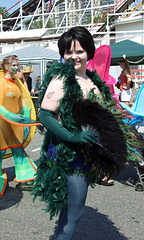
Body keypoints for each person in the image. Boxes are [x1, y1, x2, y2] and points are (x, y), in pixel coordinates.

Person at [33, 27, 139, 240]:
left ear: (89, 52)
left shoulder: (92, 80)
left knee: (69, 212)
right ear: (62, 54)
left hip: (86, 155)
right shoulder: (62, 80)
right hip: (70, 157)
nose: (73, 57)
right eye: (68, 52)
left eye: (79, 51)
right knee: (74, 213)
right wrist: (73, 137)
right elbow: (44, 116)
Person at [0, 55, 40, 197]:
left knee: (18, 151)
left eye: (18, 65)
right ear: (6, 66)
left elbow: (23, 101)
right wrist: (10, 116)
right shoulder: (1, 82)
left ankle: (27, 177)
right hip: (2, 125)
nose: (17, 68)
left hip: (16, 125)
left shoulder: (17, 83)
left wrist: (27, 119)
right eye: (14, 65)